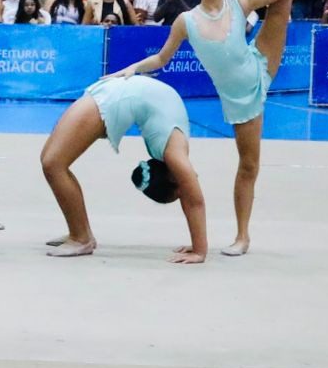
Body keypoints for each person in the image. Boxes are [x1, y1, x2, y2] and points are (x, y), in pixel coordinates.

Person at [111, 0, 314, 257]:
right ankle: (243, 235)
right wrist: (131, 69)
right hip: (241, 100)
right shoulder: (185, 22)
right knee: (248, 164)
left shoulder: (242, 3)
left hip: (261, 63)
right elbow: (161, 58)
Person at [40, 75, 207, 262]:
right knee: (53, 164)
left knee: (52, 162)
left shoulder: (172, 151)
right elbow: (194, 201)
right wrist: (199, 251)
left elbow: (189, 196)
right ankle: (81, 235)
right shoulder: (174, 155)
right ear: (173, 181)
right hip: (114, 97)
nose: (185, 190)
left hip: (117, 90)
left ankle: (80, 234)